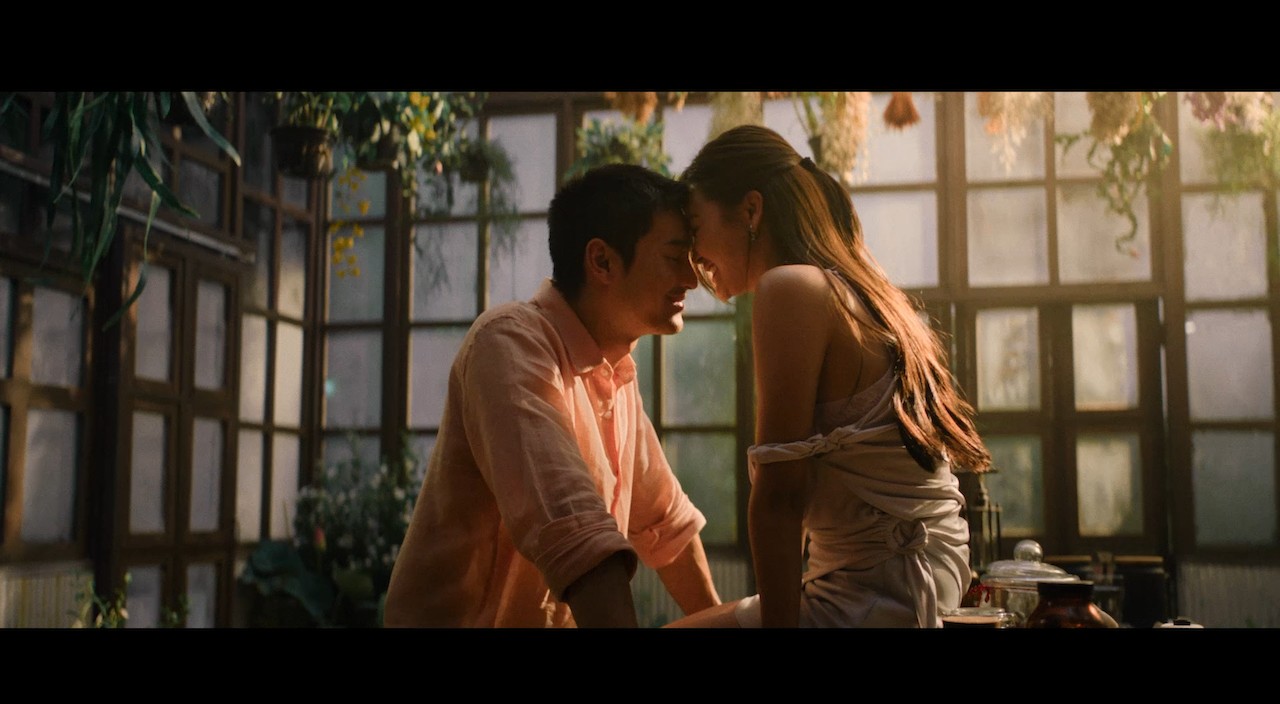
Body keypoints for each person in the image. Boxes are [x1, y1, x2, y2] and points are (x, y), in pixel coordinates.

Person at [665, 125, 992, 629]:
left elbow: (780, 497)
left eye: (694, 226)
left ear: (751, 211)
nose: (693, 255)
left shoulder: (791, 287)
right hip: (920, 576)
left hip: (884, 588)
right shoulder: (864, 290)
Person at [383, 163, 721, 628]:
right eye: (675, 256)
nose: (692, 278)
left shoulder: (616, 375)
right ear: (602, 261)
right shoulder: (508, 343)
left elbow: (667, 525)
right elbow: (577, 533)